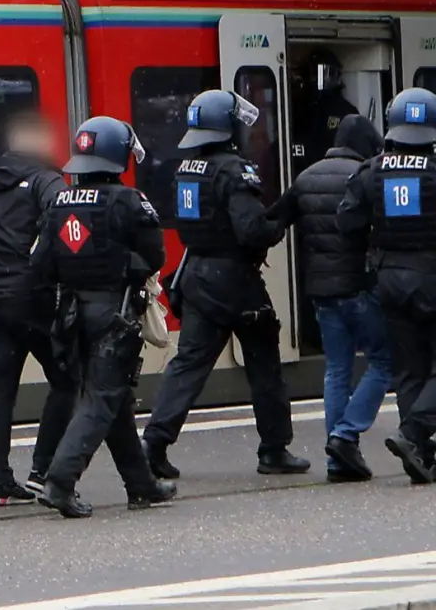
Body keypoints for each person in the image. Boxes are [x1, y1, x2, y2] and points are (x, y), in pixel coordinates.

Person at [141, 90, 309, 479]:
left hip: (198, 274)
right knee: (264, 364)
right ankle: (274, 449)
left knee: (188, 364)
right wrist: (283, 217)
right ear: (227, 128)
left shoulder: (187, 169)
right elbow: (252, 231)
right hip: (236, 279)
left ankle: (154, 442)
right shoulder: (235, 170)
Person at [31, 116, 177, 518]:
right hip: (114, 313)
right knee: (102, 398)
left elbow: (41, 266)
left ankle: (140, 484)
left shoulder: (58, 203)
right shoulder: (129, 201)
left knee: (114, 399)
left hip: (73, 314)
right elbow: (155, 257)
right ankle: (60, 482)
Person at [270, 113, 391, 482]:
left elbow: (272, 222)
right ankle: (345, 434)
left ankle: (339, 462)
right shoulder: (367, 176)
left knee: (337, 370)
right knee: (385, 361)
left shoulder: (305, 178)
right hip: (359, 287)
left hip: (321, 293)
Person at [0, 110, 74, 505]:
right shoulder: (47, 179)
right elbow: (64, 219)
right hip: (36, 298)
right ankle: (41, 471)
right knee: (66, 381)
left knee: (0, 391)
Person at [338, 87, 436, 484]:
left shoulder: (371, 170)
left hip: (389, 279)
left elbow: (347, 225)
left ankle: (420, 456)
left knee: (410, 367)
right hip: (432, 273)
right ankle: (413, 435)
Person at [294, 50, 361, 172]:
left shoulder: (346, 111)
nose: (321, 79)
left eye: (328, 73)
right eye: (315, 73)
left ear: (337, 76)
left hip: (337, 170)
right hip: (302, 170)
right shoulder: (296, 109)